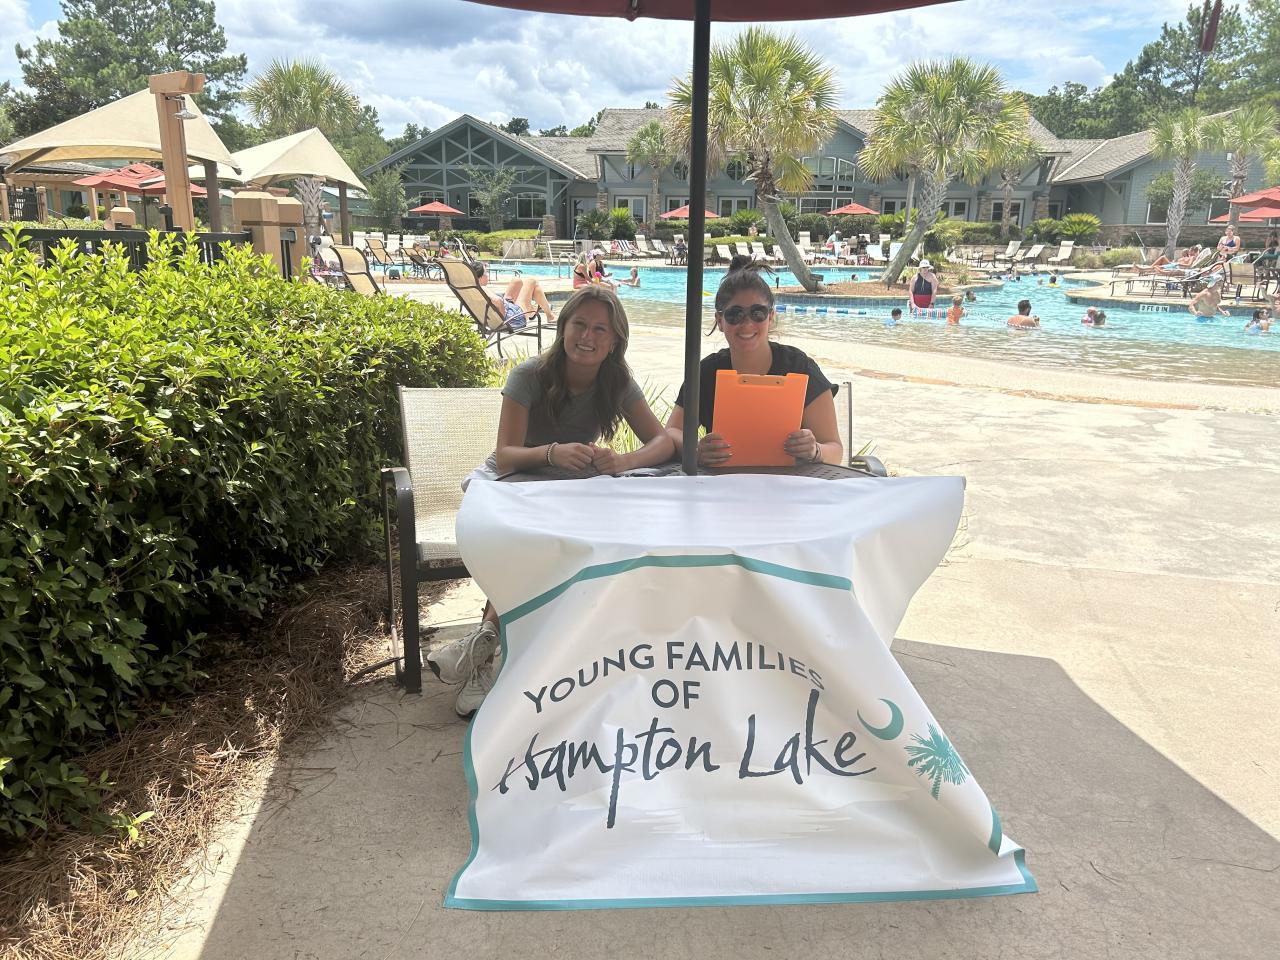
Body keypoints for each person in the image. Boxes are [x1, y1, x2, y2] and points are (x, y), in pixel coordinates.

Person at [428, 286, 675, 717]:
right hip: (516, 478)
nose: (588, 336)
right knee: (523, 542)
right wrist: (551, 453)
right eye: (580, 324)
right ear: (563, 329)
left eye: (600, 329)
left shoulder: (616, 381)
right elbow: (506, 454)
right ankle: (488, 651)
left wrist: (622, 461)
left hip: (569, 486)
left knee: (590, 540)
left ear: (614, 340)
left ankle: (484, 645)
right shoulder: (530, 376)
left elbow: (664, 441)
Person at [665, 256, 842, 467]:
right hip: (723, 480)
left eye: (757, 313)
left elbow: (835, 450)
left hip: (791, 481)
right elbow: (672, 432)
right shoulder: (706, 373)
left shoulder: (799, 368)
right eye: (735, 315)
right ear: (719, 321)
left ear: (771, 316)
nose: (747, 324)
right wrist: (695, 450)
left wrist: (815, 450)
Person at [472, 261, 554, 329]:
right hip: (514, 318)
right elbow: (498, 300)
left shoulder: (473, 290)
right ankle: (548, 315)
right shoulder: (482, 288)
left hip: (508, 308)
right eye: (486, 272)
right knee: (532, 281)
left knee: (516, 281)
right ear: (480, 277)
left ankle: (534, 308)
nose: (488, 275)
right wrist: (503, 321)